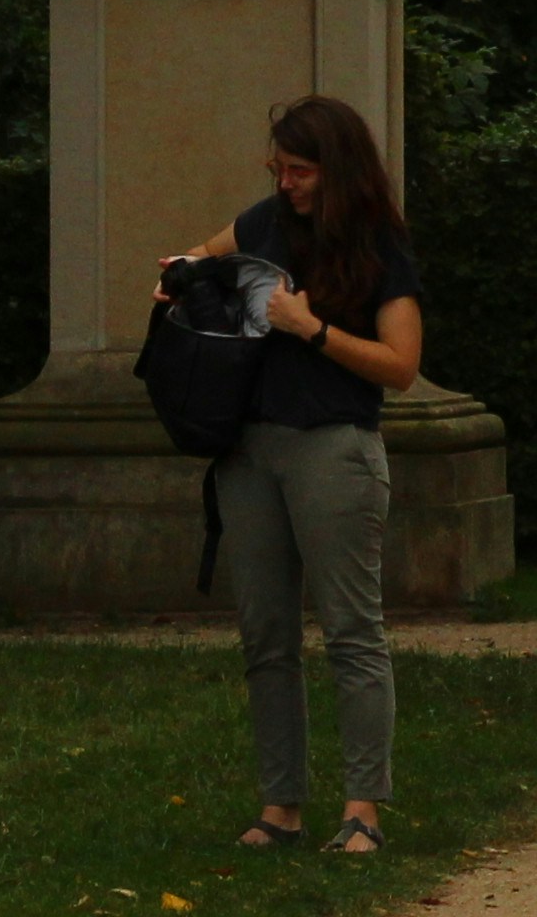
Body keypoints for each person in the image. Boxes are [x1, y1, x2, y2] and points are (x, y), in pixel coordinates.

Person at [173, 92, 422, 863]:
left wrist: (311, 329)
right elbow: (201, 256)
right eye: (278, 169)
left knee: (351, 631)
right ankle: (280, 806)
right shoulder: (264, 222)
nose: (286, 184)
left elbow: (401, 366)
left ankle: (363, 809)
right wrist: (184, 278)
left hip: (334, 448)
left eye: (301, 171)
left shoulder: (380, 244)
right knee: (266, 635)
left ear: (337, 169)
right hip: (249, 451)